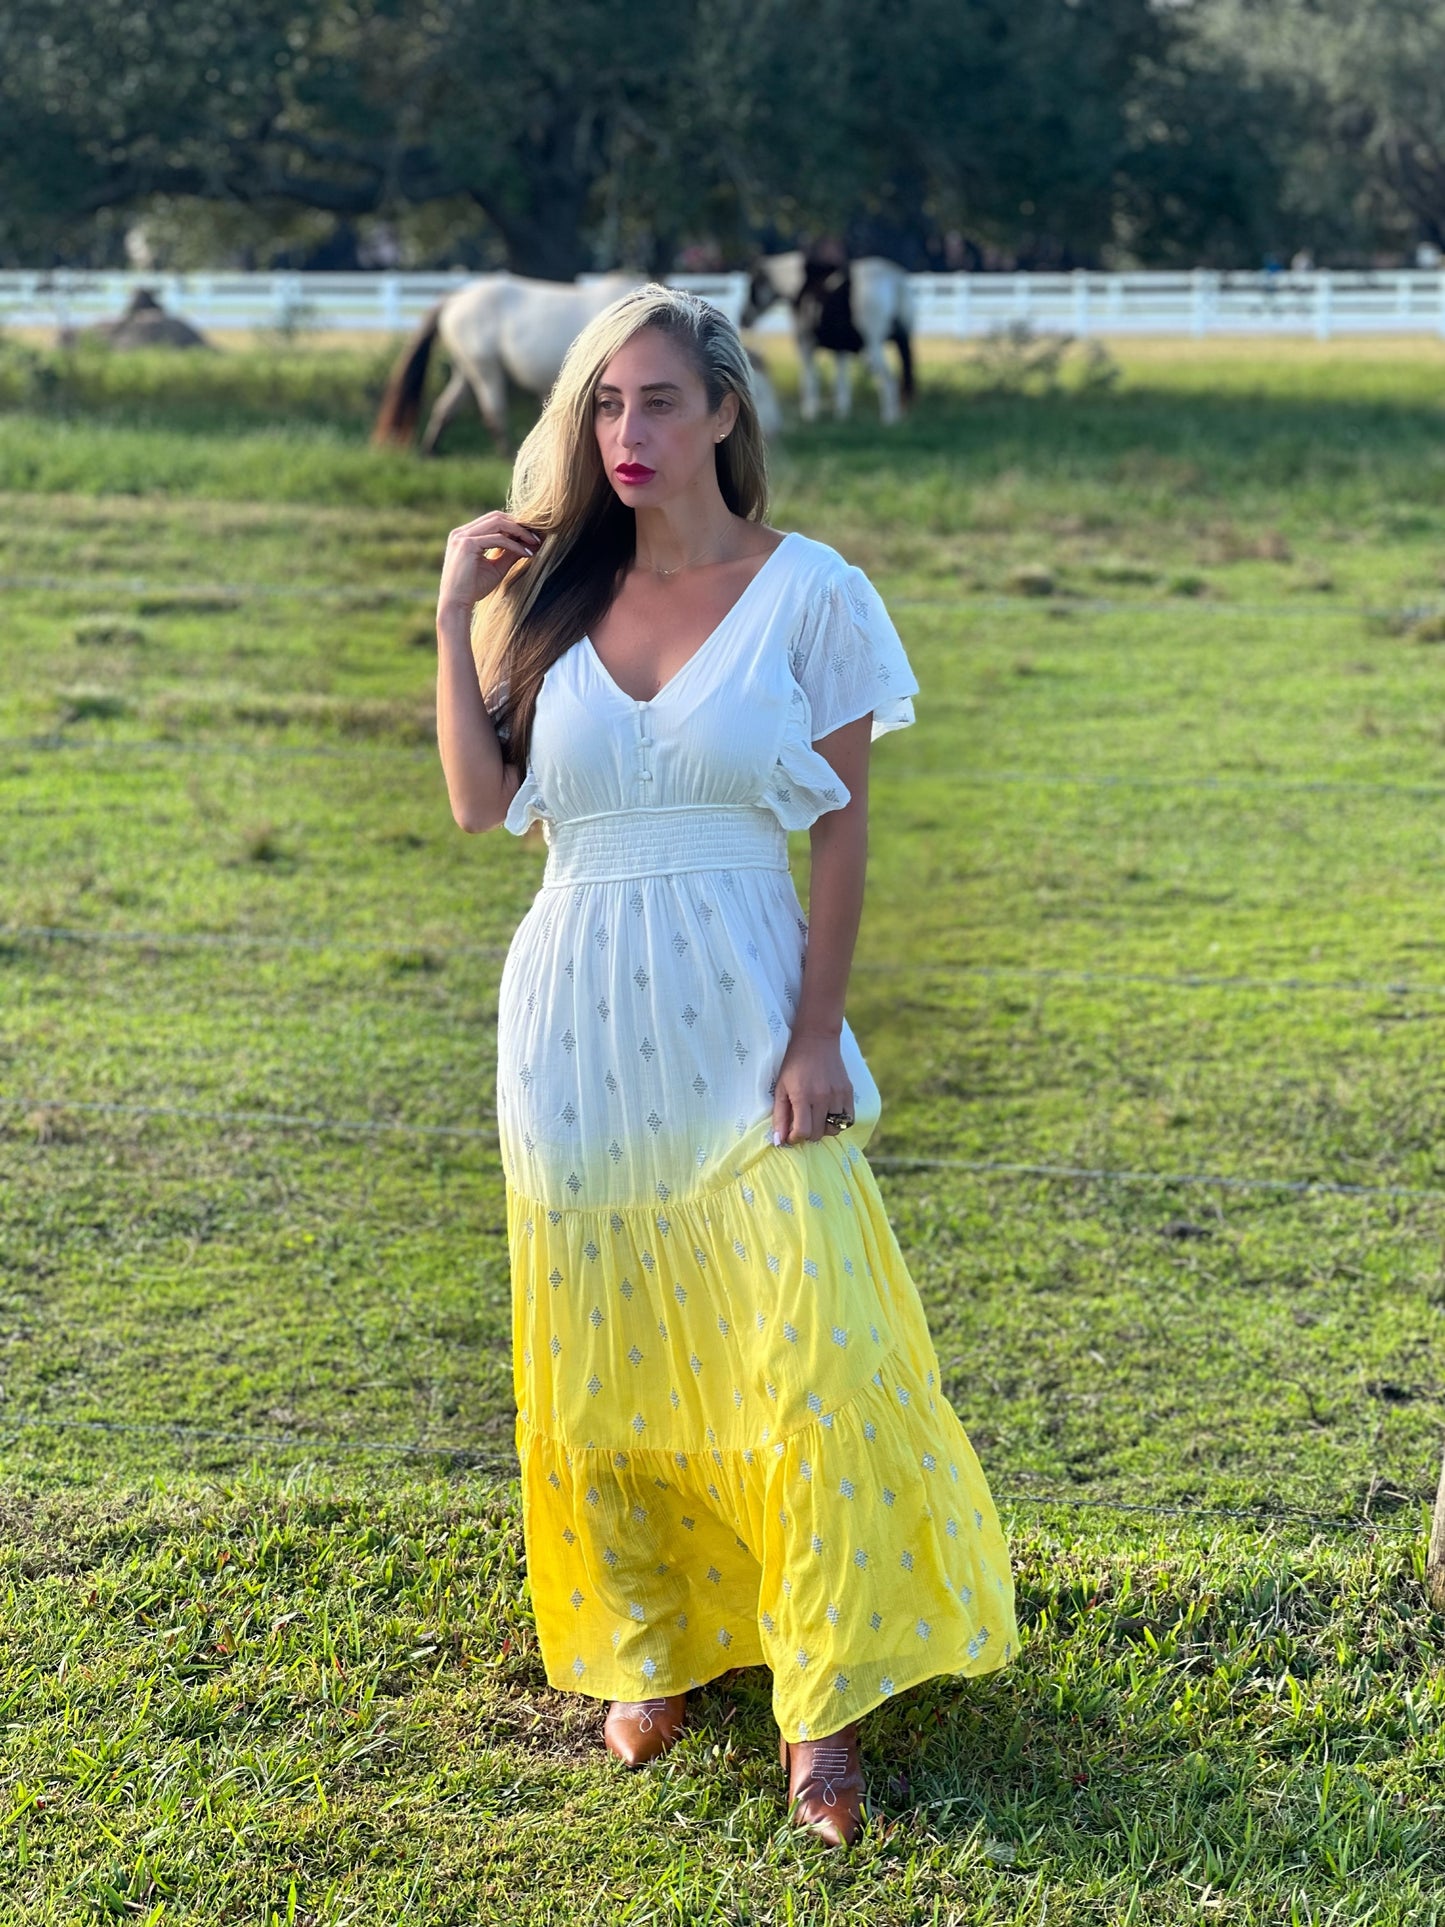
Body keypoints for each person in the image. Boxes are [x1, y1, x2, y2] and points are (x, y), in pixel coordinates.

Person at [434, 284, 1017, 1847]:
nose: (626, 434)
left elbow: (839, 836)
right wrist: (449, 613)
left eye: (657, 402)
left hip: (745, 1007)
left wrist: (816, 1034)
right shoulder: (541, 600)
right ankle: (652, 1649)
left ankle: (818, 1710)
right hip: (572, 1017)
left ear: (724, 413)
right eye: (602, 406)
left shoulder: (812, 593)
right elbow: (483, 812)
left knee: (808, 1358)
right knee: (608, 1357)